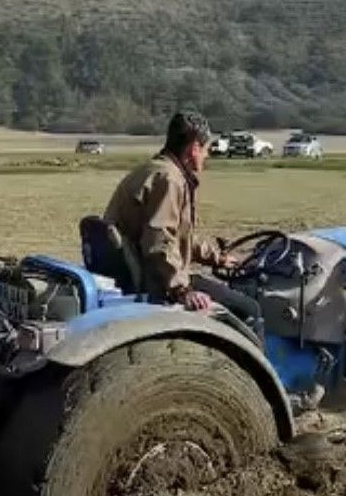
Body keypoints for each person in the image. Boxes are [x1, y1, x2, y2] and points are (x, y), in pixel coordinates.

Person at [102, 110, 263, 338]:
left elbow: (178, 236)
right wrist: (182, 290)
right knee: (250, 310)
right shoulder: (170, 180)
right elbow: (159, 240)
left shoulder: (153, 169)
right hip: (157, 280)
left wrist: (217, 257)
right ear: (193, 148)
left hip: (143, 270)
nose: (207, 156)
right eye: (206, 149)